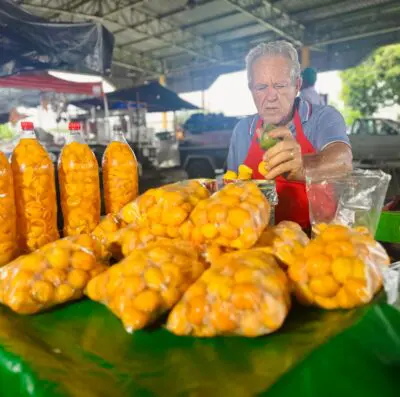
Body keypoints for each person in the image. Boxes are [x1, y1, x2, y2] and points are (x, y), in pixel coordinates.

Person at [226, 40, 352, 229]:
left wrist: (304, 167)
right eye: (261, 87)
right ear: (251, 89)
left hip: (316, 242)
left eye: (280, 86)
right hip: (260, 244)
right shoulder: (243, 130)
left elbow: (343, 162)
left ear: (297, 85)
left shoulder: (321, 118)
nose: (271, 96)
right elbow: (232, 193)